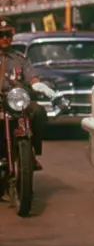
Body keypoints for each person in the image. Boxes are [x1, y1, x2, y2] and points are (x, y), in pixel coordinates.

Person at [0, 17, 50, 171]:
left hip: (15, 102)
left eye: (8, 35)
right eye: (1, 35)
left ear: (13, 35)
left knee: (39, 112)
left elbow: (32, 78)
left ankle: (31, 152)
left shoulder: (20, 59)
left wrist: (39, 85)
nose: (4, 38)